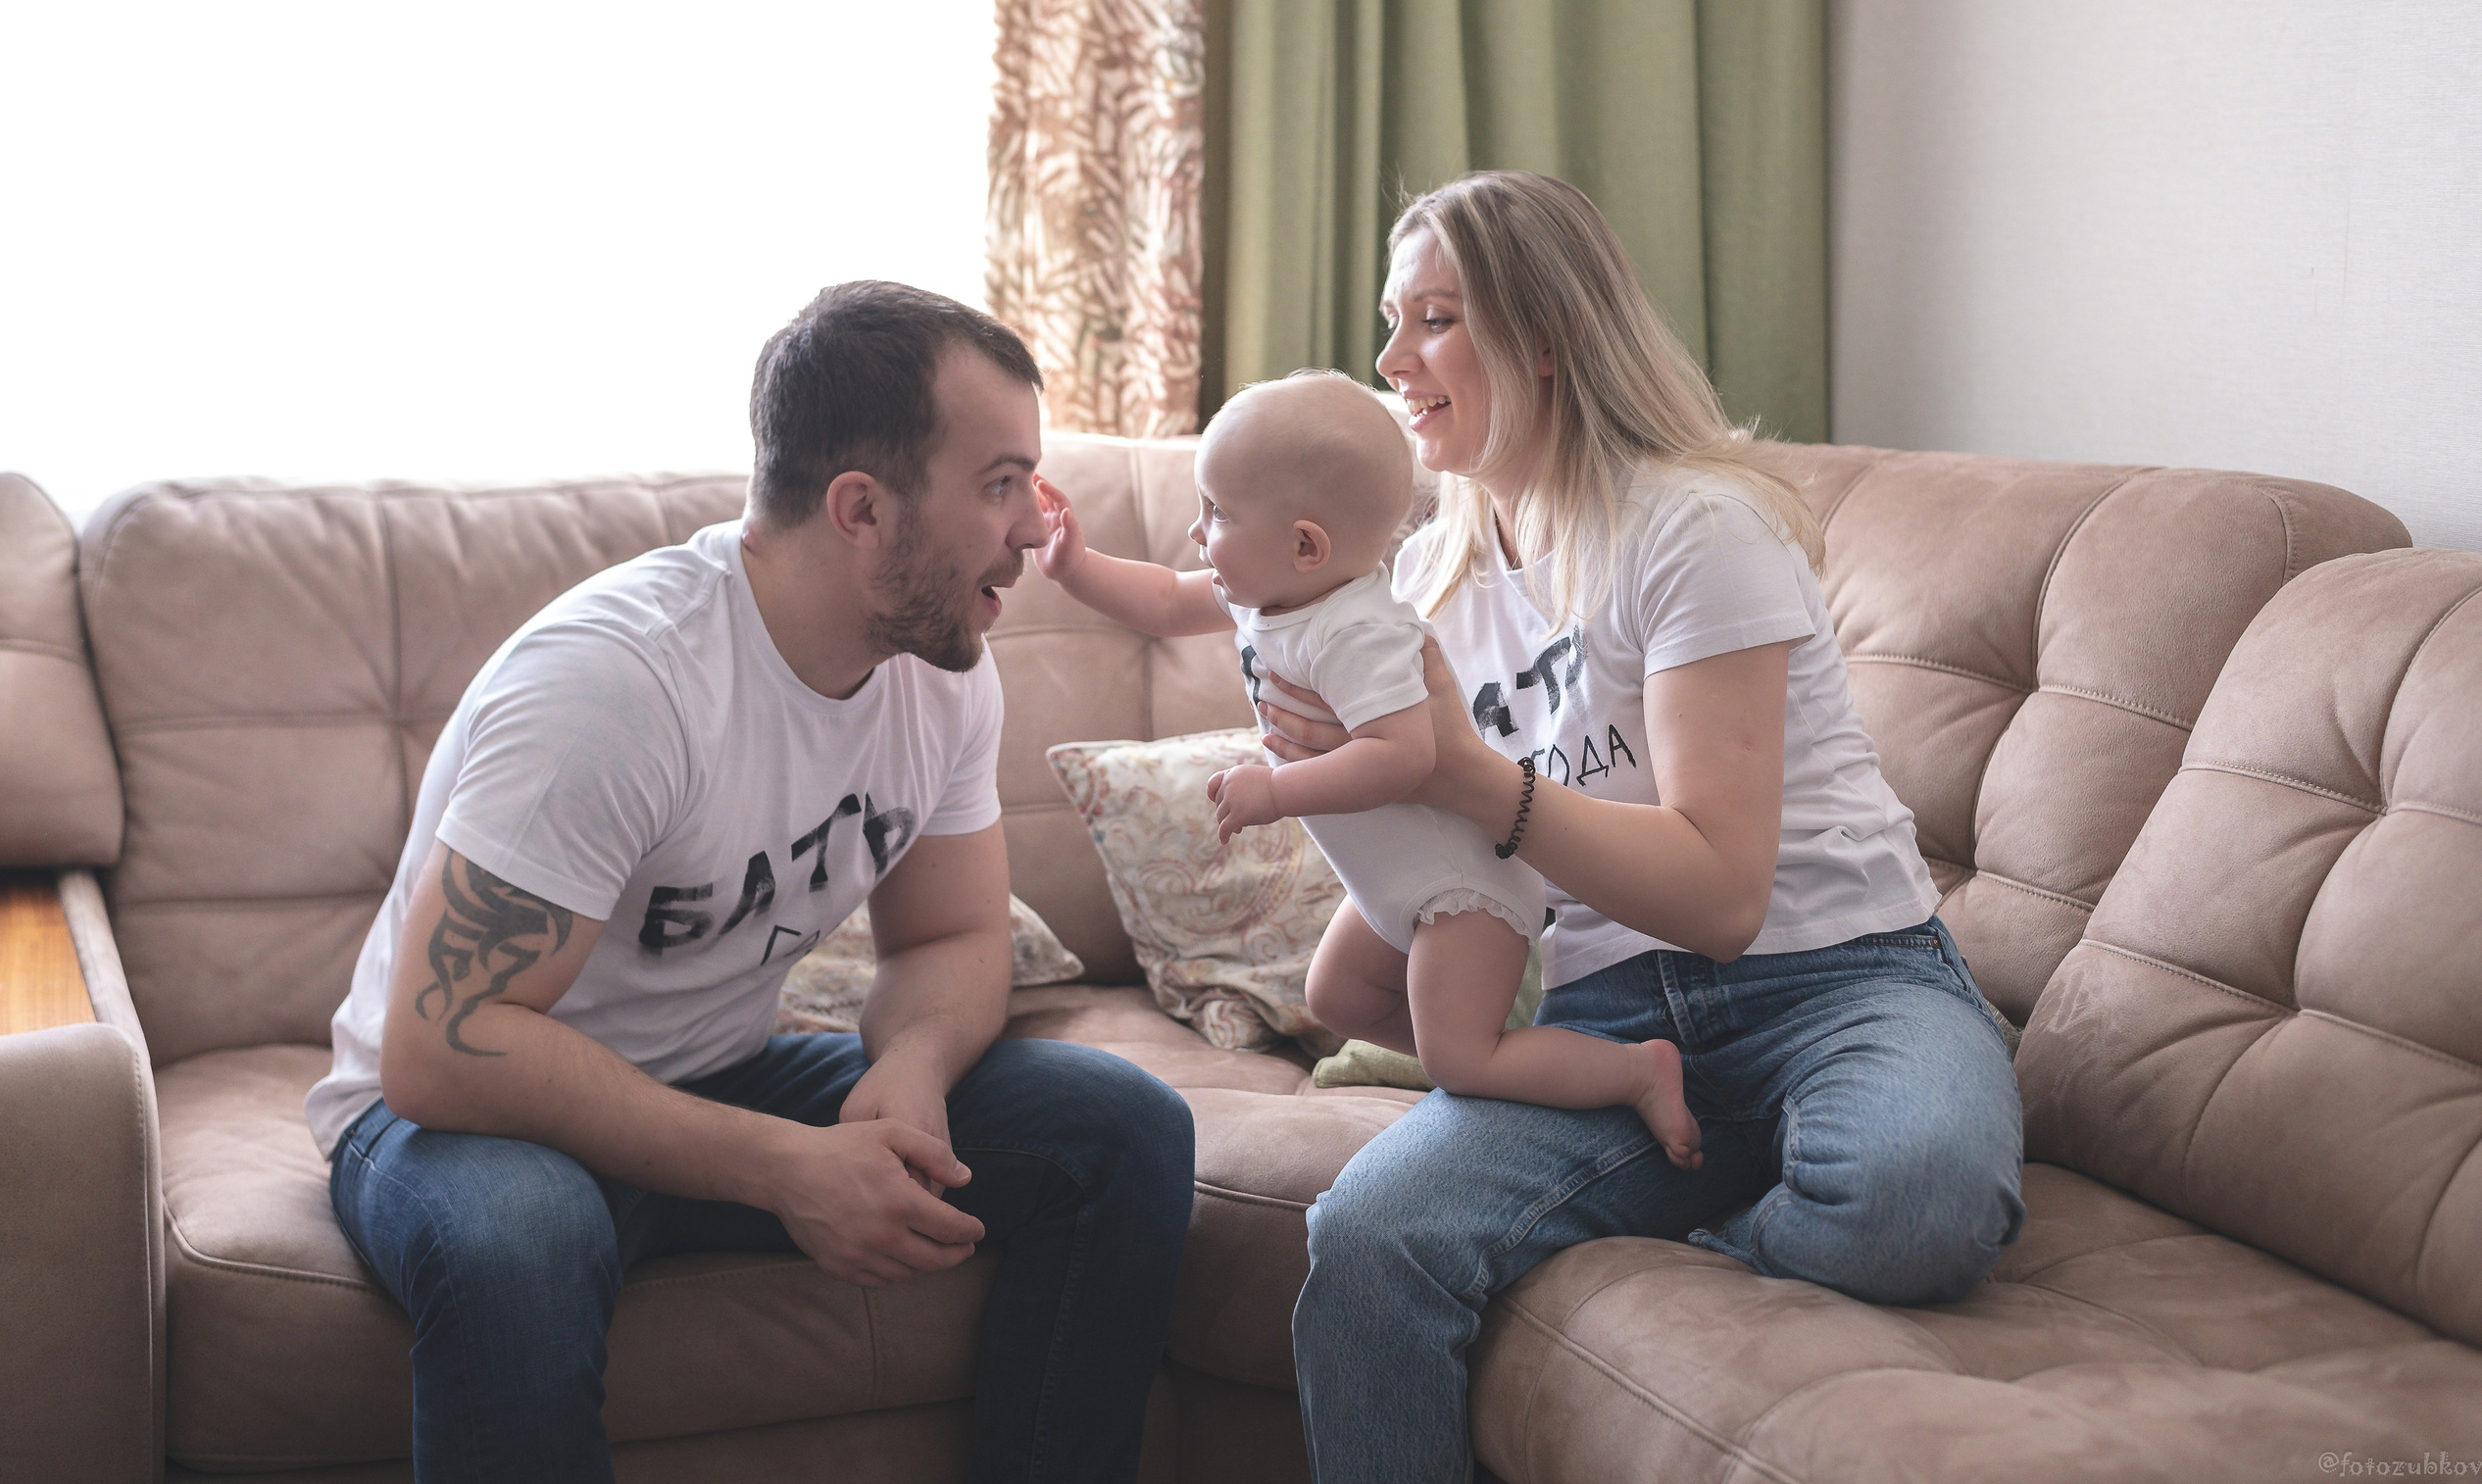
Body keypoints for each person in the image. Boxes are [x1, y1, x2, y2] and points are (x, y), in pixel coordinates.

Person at [302, 281, 1197, 1484]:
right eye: (998, 483)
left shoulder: (940, 672)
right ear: (861, 509)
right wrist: (783, 1166)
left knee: (1121, 1128)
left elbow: (949, 940)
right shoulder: (619, 684)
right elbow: (443, 1042)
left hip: (719, 1069)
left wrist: (909, 1071)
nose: (1036, 528)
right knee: (524, 1235)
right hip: (462, 1119)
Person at [1268, 173, 2025, 1483]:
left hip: (1838, 975)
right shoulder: (1423, 587)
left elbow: (1725, 891)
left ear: (1547, 337)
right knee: (1375, 1239)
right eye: (1392, 319)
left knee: (1914, 1196)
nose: (1393, 359)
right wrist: (1379, 835)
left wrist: (1461, 779)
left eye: (1437, 319)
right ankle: (1709, 1154)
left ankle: (1750, 1174)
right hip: (1615, 1018)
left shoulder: (1691, 526)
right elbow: (1406, 922)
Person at [1030, 371, 1702, 1164]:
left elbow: (1406, 754)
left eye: (1215, 513)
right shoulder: (1268, 589)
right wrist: (1075, 567)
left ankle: (1630, 1070)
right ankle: (1531, 1062)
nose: (1194, 532)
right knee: (1336, 997)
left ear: (1305, 543)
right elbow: (1167, 601)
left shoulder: (1359, 630)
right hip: (1395, 883)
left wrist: (1275, 789)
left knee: (1459, 1055)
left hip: (1463, 887)